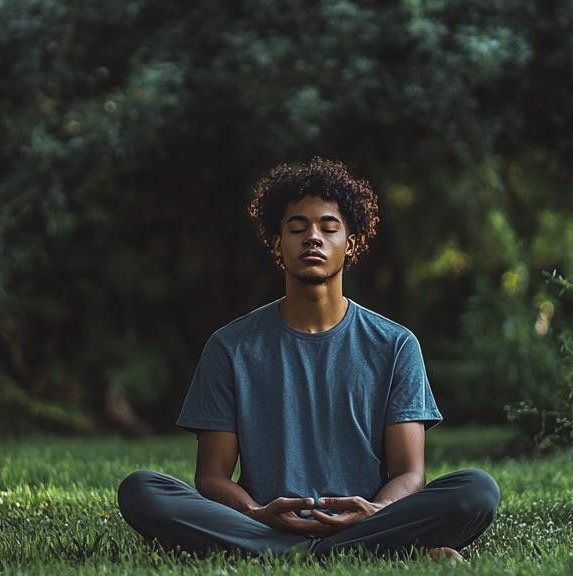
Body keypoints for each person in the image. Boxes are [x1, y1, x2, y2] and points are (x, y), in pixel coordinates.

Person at [117, 157, 499, 560]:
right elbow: (211, 477)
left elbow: (409, 473)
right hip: (262, 520)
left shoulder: (396, 344)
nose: (312, 237)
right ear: (277, 244)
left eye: (328, 228)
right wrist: (255, 511)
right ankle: (363, 552)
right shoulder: (230, 347)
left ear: (350, 242)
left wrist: (376, 511)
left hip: (366, 520)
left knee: (476, 491)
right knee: (142, 490)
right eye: (297, 228)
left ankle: (294, 552)